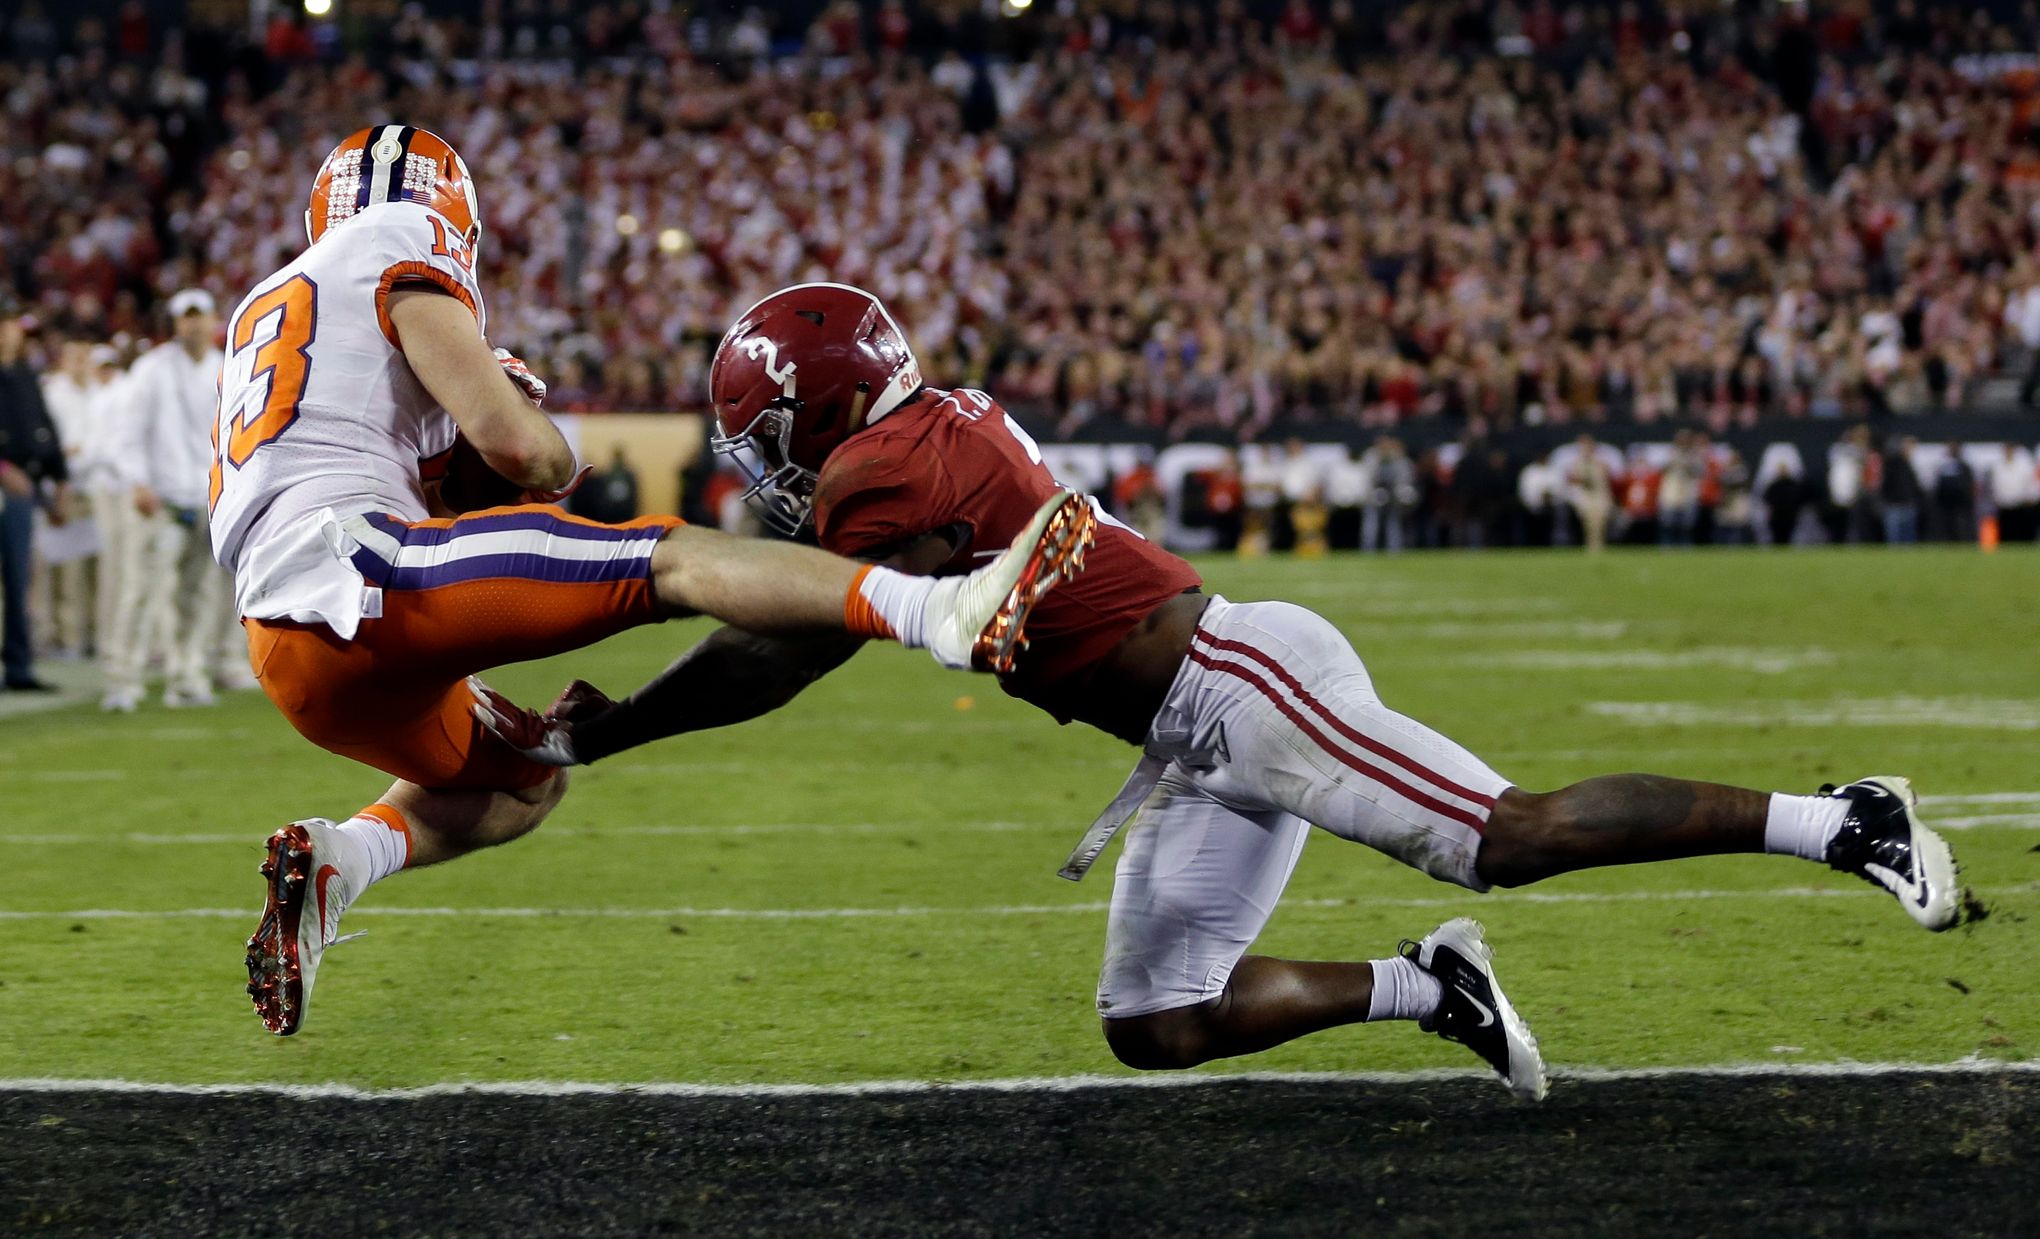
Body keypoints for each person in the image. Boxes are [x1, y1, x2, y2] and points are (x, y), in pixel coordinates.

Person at [477, 283, 1971, 1102]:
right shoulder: (912, 433)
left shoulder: (881, 470)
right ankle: (1426, 985)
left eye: (768, 437)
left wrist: (620, 725)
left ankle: (1841, 818)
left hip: (1239, 682)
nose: (770, 469)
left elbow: (781, 644)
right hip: (1194, 723)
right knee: (1155, 1016)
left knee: (1511, 833)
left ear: (815, 413)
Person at [224, 128, 1094, 1037]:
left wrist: (446, 449)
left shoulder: (264, 310)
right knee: (672, 559)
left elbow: (400, 464)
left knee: (529, 777)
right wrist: (541, 440)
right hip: (362, 569)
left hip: (289, 647)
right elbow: (517, 447)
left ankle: (337, 864)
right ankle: (942, 608)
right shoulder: (396, 235)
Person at [116, 289, 237, 707]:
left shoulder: (227, 367)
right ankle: (124, 678)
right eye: (185, 318)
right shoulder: (151, 370)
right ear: (174, 323)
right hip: (162, 497)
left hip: (205, 496)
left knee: (196, 593)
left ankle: (186, 674)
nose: (193, 325)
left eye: (199, 316)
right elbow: (128, 432)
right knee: (143, 589)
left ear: (212, 319)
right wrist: (138, 482)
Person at [0, 311, 69, 692]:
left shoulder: (25, 375)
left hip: (24, 494)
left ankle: (18, 665)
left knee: (19, 579)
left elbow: (45, 427)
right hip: (8, 484)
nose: (11, 333)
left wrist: (60, 478)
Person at [1565, 433, 1613, 553]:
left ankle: (1598, 546)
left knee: (1600, 523)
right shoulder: (1577, 463)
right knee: (1589, 524)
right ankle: (1592, 547)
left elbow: (1604, 477)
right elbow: (1574, 479)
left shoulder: (1600, 462)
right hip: (1586, 497)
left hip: (1600, 496)